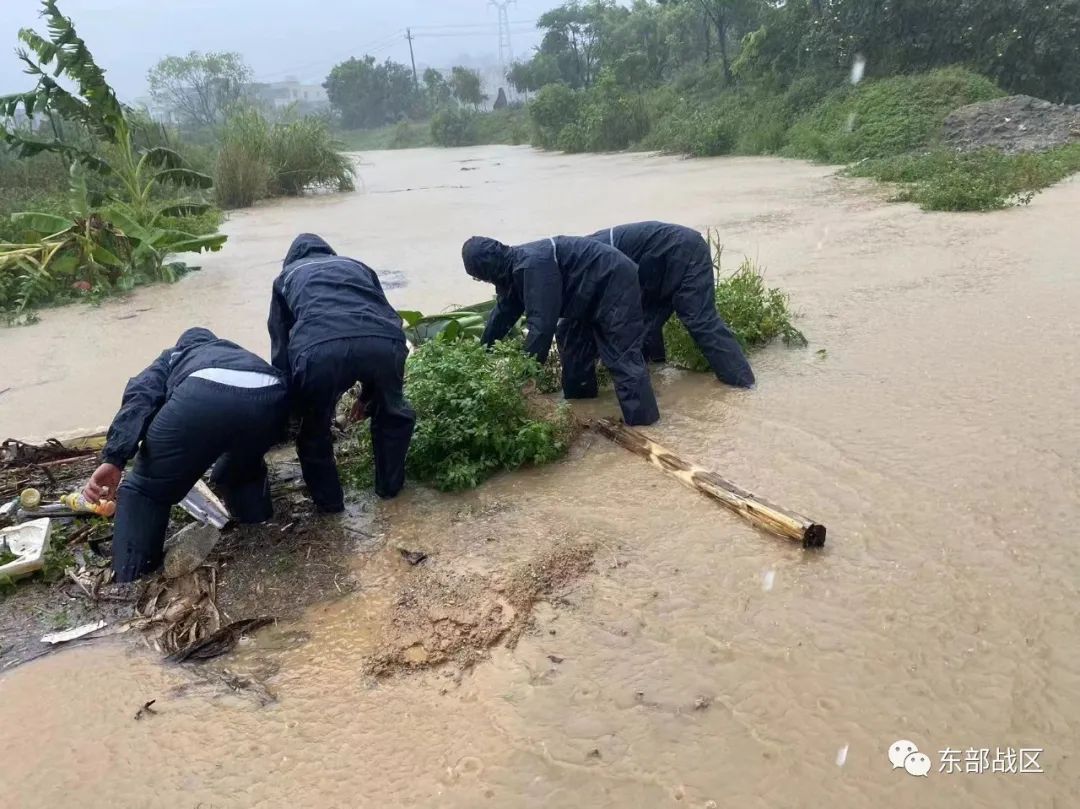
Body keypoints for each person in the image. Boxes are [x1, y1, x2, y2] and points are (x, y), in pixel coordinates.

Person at [83, 328, 289, 582]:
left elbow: (141, 398)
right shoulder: (234, 351)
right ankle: (258, 523)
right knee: (243, 468)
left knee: (144, 490)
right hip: (271, 395)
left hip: (201, 392)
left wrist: (114, 459)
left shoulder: (173, 356)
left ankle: (130, 578)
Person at [269, 234, 415, 512]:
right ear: (329, 252)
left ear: (291, 259)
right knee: (393, 414)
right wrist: (370, 397)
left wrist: (291, 406)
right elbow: (379, 315)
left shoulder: (286, 277)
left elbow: (280, 344)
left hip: (319, 351)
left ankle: (331, 506)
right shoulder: (357, 266)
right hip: (385, 342)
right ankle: (390, 490)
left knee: (314, 431)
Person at [461, 234, 660, 426]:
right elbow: (502, 315)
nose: (483, 281)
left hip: (613, 280)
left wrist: (525, 376)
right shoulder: (511, 272)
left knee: (622, 356)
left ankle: (645, 424)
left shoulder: (532, 266)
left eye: (479, 277)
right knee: (572, 345)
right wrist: (480, 353)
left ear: (487, 270)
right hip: (583, 296)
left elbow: (541, 328)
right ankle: (583, 410)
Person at [587, 221, 755, 388]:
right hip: (658, 263)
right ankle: (657, 372)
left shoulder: (589, 256)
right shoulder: (587, 253)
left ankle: (744, 384)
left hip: (682, 251)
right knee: (645, 323)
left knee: (701, 321)